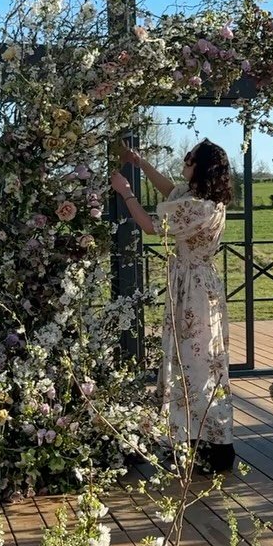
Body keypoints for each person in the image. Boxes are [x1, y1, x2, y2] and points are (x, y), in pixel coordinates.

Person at [110, 139, 235, 474]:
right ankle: (195, 440)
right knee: (197, 363)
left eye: (188, 157)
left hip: (193, 290)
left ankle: (207, 446)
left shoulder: (200, 207)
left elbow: (152, 226)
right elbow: (170, 191)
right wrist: (140, 163)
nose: (184, 161)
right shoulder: (199, 199)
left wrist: (126, 193)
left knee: (196, 364)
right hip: (195, 284)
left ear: (199, 165)